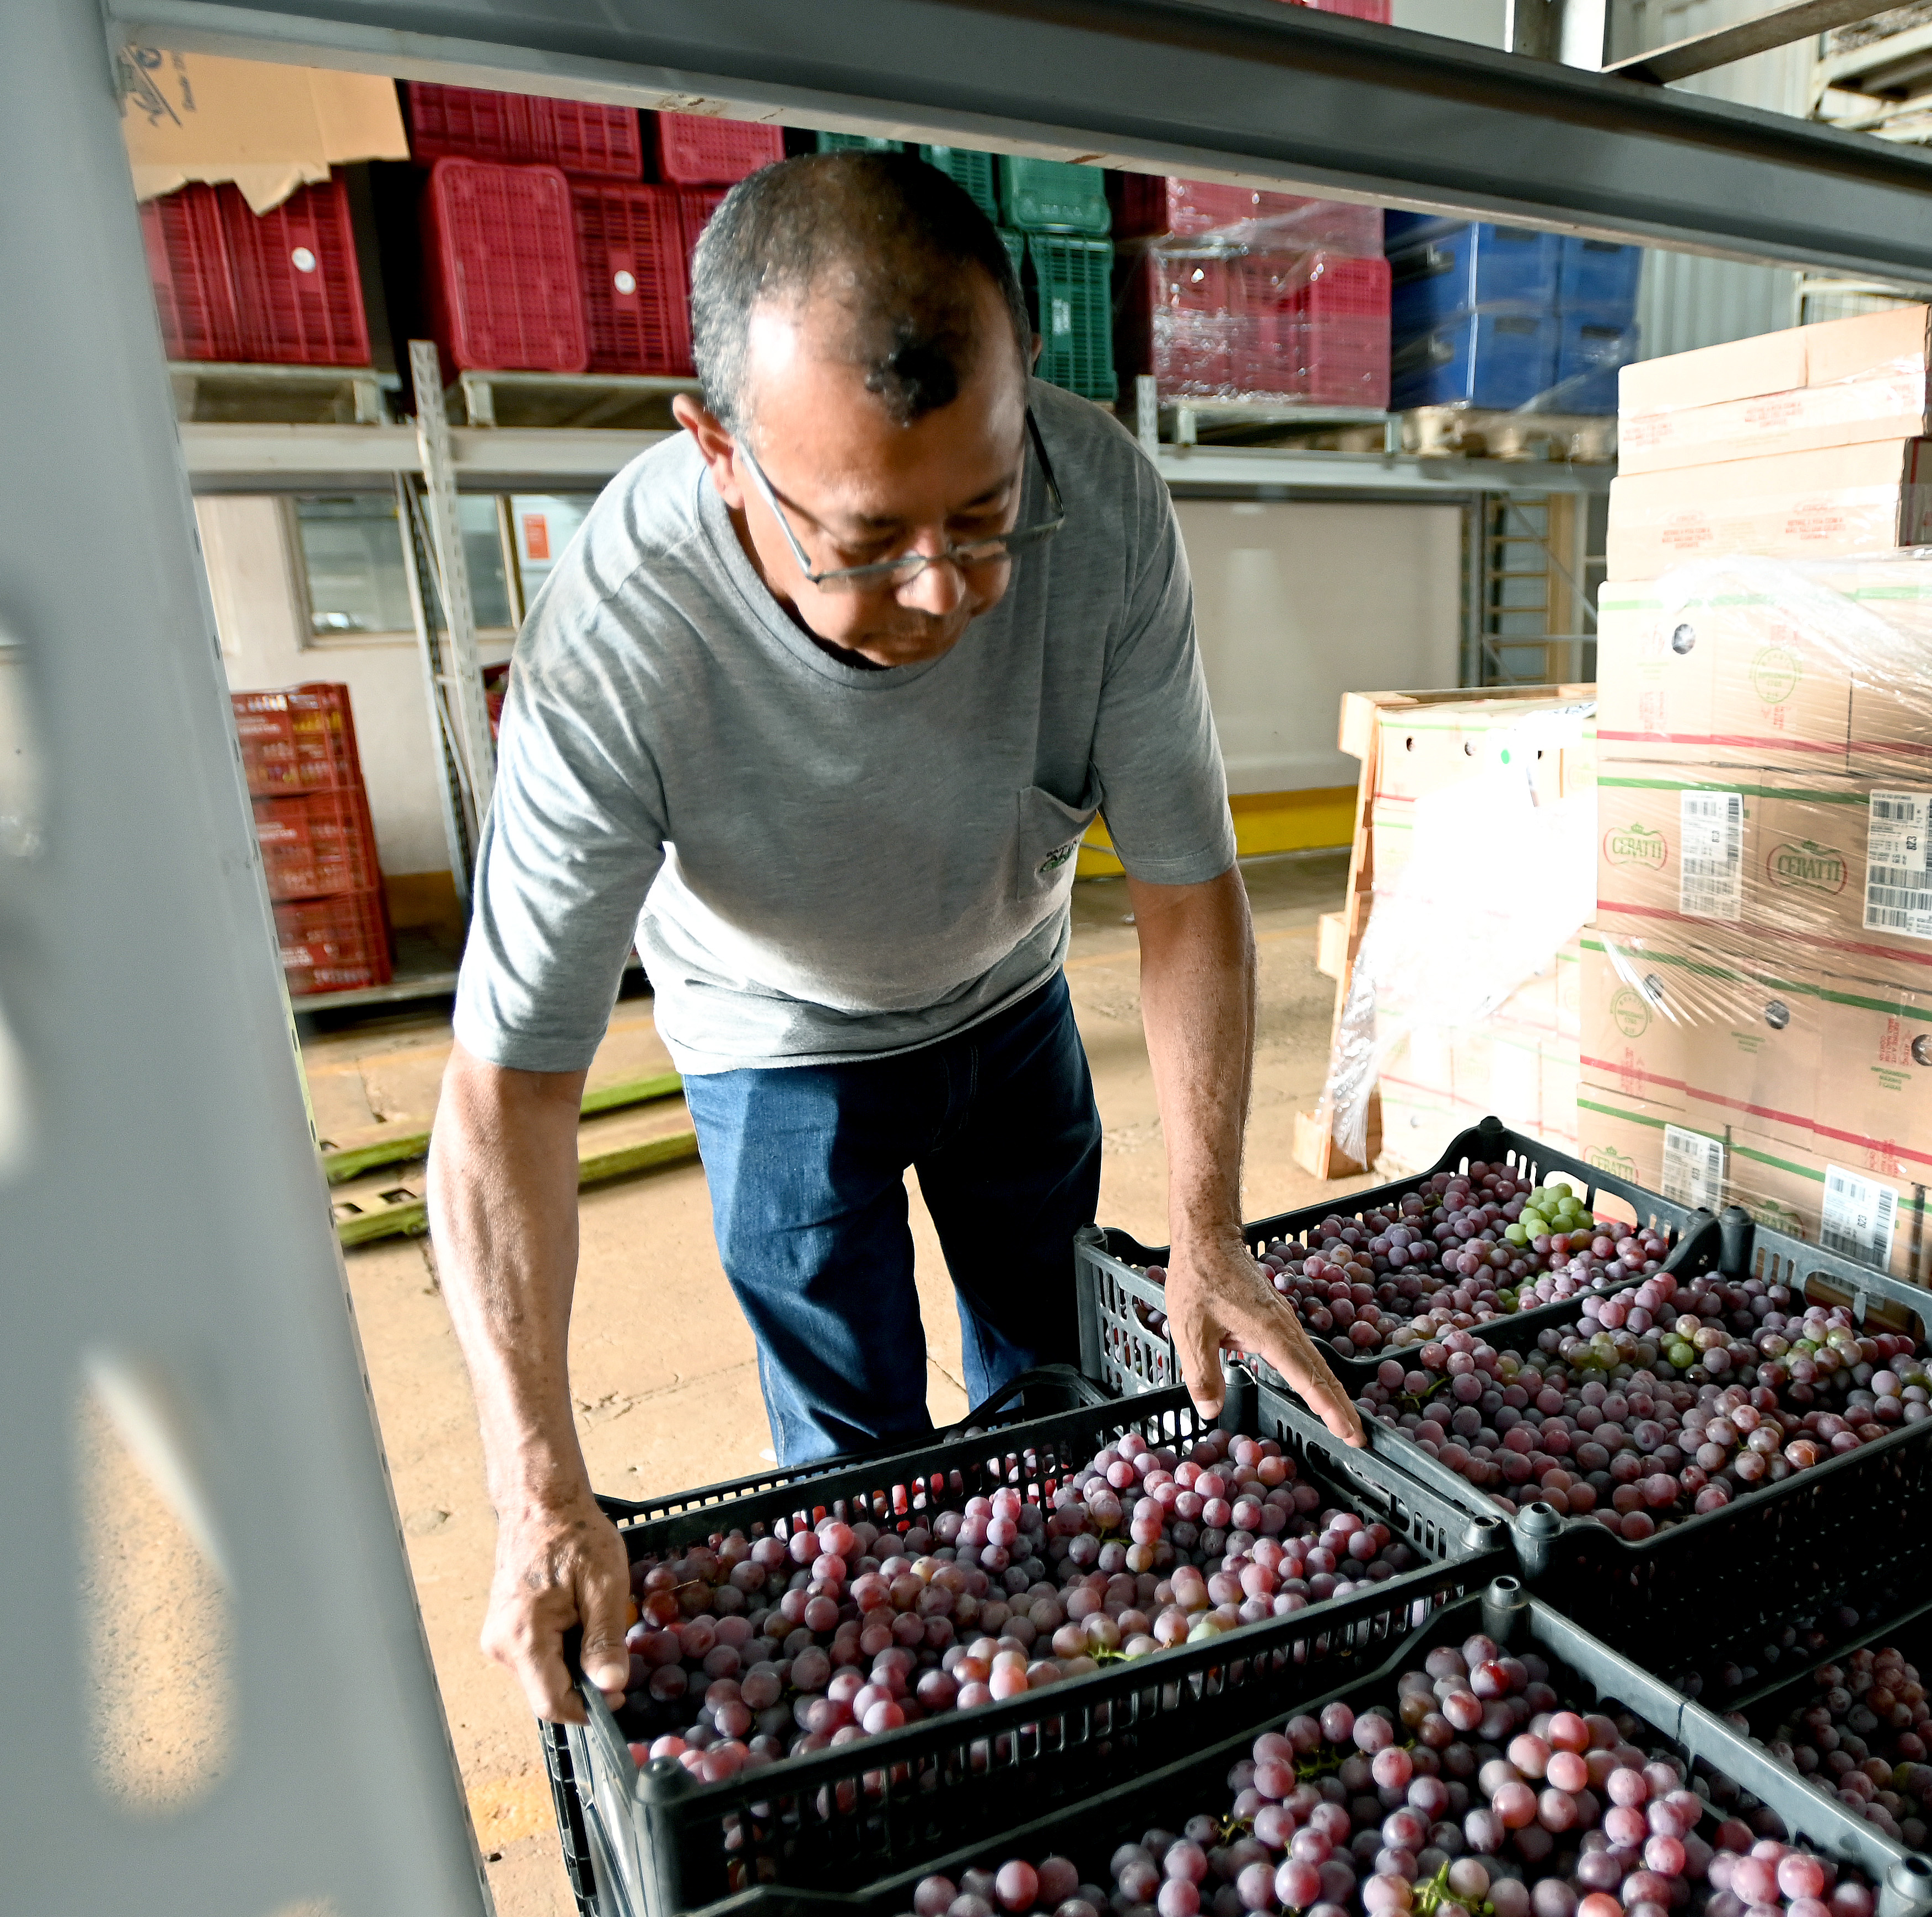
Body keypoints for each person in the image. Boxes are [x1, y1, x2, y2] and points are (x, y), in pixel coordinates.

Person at [429, 151, 1365, 1726]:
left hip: (1010, 1006)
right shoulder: (618, 639)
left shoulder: (1108, 505)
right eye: (867, 541)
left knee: (1055, 1401)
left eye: (987, 512)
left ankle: (1070, 1706)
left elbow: (1192, 895)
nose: (948, 592)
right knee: (853, 1473)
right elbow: (507, 1087)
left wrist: (1209, 1225)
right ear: (718, 453)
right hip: (774, 1049)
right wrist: (535, 1471)